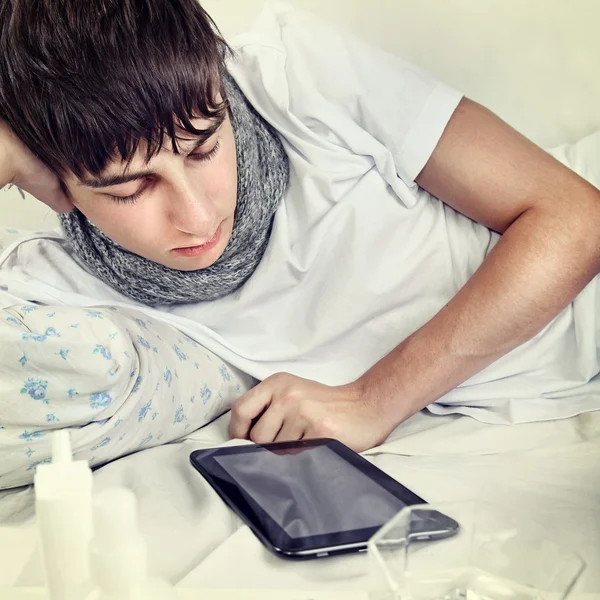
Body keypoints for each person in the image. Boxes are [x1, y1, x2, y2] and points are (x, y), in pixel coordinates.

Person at [1, 0, 599, 454]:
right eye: (131, 188)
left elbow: (575, 217)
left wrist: (374, 399)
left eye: (205, 148)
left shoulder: (300, 75)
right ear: (57, 185)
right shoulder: (59, 278)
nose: (200, 217)